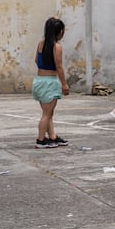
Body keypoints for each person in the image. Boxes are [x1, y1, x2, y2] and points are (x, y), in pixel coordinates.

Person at [32, 17, 69, 147]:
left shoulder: (40, 44)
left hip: (39, 80)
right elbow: (59, 66)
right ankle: (41, 140)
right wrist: (64, 84)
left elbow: (36, 60)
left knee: (48, 113)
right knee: (46, 114)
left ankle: (52, 136)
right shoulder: (56, 47)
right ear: (59, 32)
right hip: (50, 82)